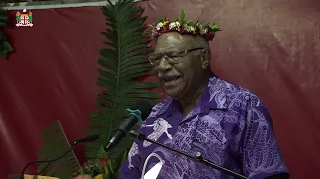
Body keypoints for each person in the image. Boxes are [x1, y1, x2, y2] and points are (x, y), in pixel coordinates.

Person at [76, 11, 290, 179]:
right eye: (157, 59)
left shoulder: (243, 107)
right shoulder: (155, 118)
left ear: (204, 58)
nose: (162, 66)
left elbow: (269, 176)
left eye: (173, 56)